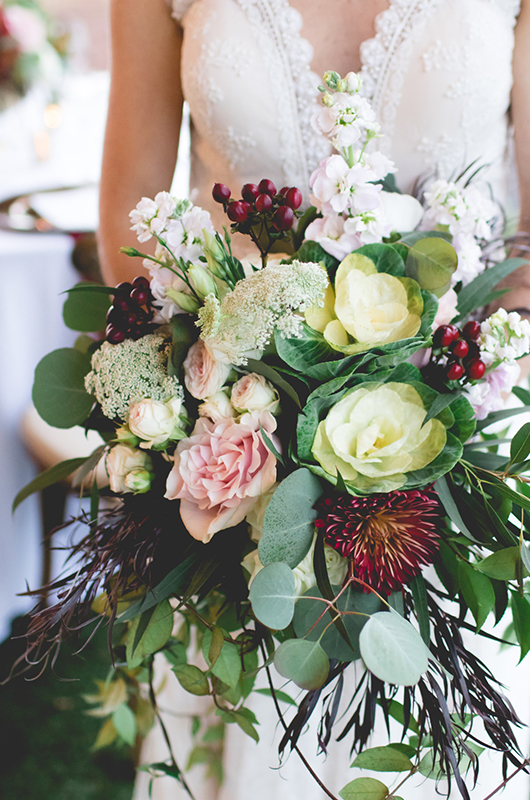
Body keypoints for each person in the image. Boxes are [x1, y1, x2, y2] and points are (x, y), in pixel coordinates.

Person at [98, 1, 530, 798]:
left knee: (448, 746)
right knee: (254, 732)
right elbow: (130, 195)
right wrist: (209, 412)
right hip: (234, 460)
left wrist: (431, 400)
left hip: (463, 454)